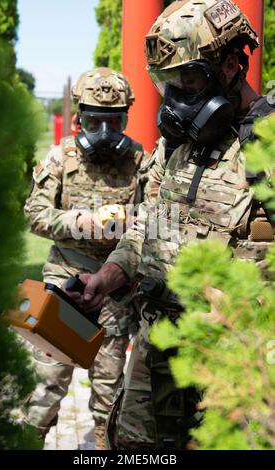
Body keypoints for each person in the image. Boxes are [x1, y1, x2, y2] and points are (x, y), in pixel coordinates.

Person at [64, 0, 275, 449]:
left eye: (189, 80)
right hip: (156, 351)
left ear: (234, 63)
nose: (176, 97)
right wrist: (105, 278)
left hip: (234, 367)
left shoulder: (269, 143)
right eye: (167, 83)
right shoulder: (174, 147)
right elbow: (148, 227)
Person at [23, 67, 150, 449]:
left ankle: (101, 446)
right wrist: (82, 221)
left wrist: (129, 224)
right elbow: (35, 213)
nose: (105, 131)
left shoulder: (139, 160)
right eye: (95, 121)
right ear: (80, 117)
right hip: (65, 282)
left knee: (109, 391)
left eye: (114, 121)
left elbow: (153, 221)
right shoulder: (61, 157)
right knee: (46, 385)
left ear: (125, 117)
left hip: (114, 290)